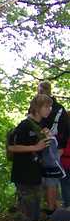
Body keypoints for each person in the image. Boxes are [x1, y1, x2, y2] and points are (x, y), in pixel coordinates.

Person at [8, 95, 51, 221]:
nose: (49, 109)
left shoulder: (40, 124)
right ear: (37, 108)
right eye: (46, 107)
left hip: (35, 172)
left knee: (32, 208)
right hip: (23, 174)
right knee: (24, 209)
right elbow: (11, 147)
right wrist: (35, 147)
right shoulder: (24, 125)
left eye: (50, 106)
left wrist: (47, 137)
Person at [37, 81, 69, 212]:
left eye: (42, 91)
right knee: (42, 177)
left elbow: (65, 129)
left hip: (53, 147)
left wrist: (60, 148)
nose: (40, 93)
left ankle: (52, 208)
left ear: (48, 91)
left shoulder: (58, 109)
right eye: (39, 91)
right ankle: (48, 206)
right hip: (38, 146)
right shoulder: (35, 107)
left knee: (52, 178)